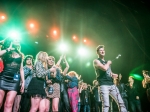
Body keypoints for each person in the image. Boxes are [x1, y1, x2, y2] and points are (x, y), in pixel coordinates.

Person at [93, 45, 127, 112]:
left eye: (103, 50)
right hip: (103, 85)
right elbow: (104, 68)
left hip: (111, 84)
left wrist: (114, 75)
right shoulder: (96, 61)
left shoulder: (106, 62)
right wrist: (108, 63)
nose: (103, 51)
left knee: (121, 102)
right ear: (97, 52)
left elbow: (110, 73)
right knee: (106, 105)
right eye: (101, 50)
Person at [0, 38, 24, 112]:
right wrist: (8, 48)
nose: (18, 40)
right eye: (15, 39)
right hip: (3, 78)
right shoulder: (6, 52)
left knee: (9, 104)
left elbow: (21, 69)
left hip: (15, 80)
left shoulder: (20, 54)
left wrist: (23, 82)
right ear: (11, 42)